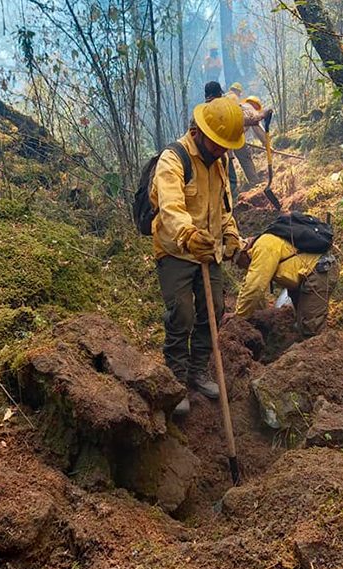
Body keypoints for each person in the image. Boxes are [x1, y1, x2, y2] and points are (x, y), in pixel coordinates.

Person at [148, 97, 246, 416]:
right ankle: (176, 381)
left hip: (209, 251)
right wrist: (189, 235)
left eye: (225, 146)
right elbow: (171, 208)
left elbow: (223, 207)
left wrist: (230, 235)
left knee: (214, 310)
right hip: (175, 250)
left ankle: (198, 371)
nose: (221, 150)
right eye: (217, 143)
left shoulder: (220, 161)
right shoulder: (173, 159)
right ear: (200, 132)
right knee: (182, 315)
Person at [231, 216, 337, 337]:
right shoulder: (262, 245)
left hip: (318, 272)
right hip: (306, 276)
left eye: (238, 262)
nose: (240, 267)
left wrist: (238, 318)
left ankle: (320, 347)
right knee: (300, 322)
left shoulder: (263, 246)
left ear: (243, 252)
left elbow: (254, 287)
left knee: (311, 328)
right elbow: (253, 287)